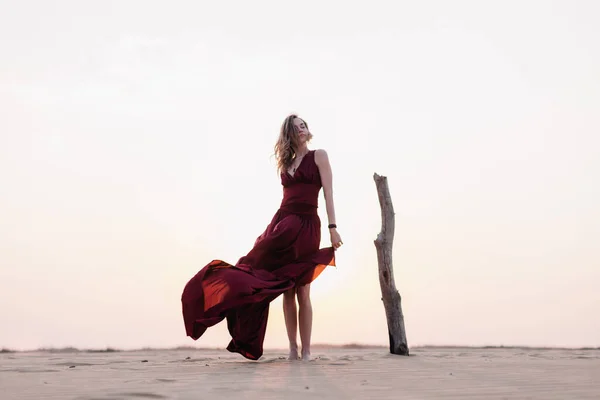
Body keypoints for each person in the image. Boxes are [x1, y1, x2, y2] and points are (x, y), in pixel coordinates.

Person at [181, 114, 343, 361]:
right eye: (296, 127)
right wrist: (274, 228)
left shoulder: (319, 155)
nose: (301, 129)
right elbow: (285, 200)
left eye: (304, 125)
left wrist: (333, 227)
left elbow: (329, 192)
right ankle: (292, 349)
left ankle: (307, 351)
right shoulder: (285, 164)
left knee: (303, 290)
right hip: (283, 225)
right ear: (289, 133)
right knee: (283, 288)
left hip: (307, 224)